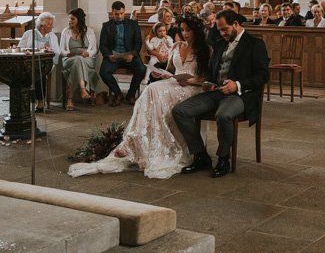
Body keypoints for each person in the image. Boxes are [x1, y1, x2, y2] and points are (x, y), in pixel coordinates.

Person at [69, 16, 211, 179]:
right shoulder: (177, 46)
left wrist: (189, 80)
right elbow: (170, 70)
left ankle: (136, 140)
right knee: (152, 88)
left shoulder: (205, 50)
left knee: (154, 91)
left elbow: (205, 79)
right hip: (174, 83)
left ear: (196, 31)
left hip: (192, 88)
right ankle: (137, 140)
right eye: (183, 30)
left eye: (189, 30)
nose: (185, 33)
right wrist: (162, 74)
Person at [173, 10, 270, 178]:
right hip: (215, 92)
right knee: (180, 111)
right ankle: (201, 155)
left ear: (236, 24)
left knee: (223, 115)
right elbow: (212, 71)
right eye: (219, 30)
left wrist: (237, 84)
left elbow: (263, 75)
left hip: (240, 95)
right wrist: (207, 83)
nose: (222, 33)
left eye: (225, 29)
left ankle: (223, 158)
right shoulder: (220, 43)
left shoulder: (255, 44)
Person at [99, 0, 146, 107]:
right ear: (112, 13)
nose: (119, 16)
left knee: (141, 69)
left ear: (125, 12)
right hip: (113, 57)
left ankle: (131, 94)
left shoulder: (133, 24)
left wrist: (133, 54)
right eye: (116, 14)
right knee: (103, 72)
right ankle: (118, 94)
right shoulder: (106, 26)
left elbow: (138, 42)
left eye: (121, 13)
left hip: (129, 56)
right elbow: (102, 44)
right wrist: (108, 55)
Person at [17, 12, 60, 112]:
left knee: (39, 72)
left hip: (46, 63)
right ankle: (25, 101)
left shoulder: (52, 36)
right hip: (29, 63)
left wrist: (49, 50)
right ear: (42, 25)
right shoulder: (29, 34)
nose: (52, 26)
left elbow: (57, 51)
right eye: (49, 24)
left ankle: (40, 102)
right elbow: (20, 48)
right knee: (29, 72)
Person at [59, 8, 98, 110]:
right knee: (77, 60)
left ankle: (70, 99)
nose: (69, 21)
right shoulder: (65, 31)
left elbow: (94, 49)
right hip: (70, 59)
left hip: (87, 59)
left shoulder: (89, 31)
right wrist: (67, 53)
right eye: (69, 19)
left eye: (72, 19)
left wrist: (88, 53)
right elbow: (61, 50)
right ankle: (83, 89)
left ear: (79, 20)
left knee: (79, 60)